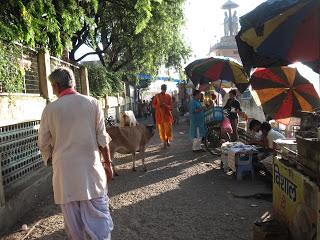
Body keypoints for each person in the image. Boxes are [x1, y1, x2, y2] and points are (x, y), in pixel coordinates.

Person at [38, 67, 114, 240]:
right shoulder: (92, 103)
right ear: (72, 82)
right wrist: (108, 163)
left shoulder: (50, 110)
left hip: (64, 175)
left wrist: (51, 159)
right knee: (99, 221)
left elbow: (43, 143)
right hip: (91, 172)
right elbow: (102, 138)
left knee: (74, 228)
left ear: (56, 86)